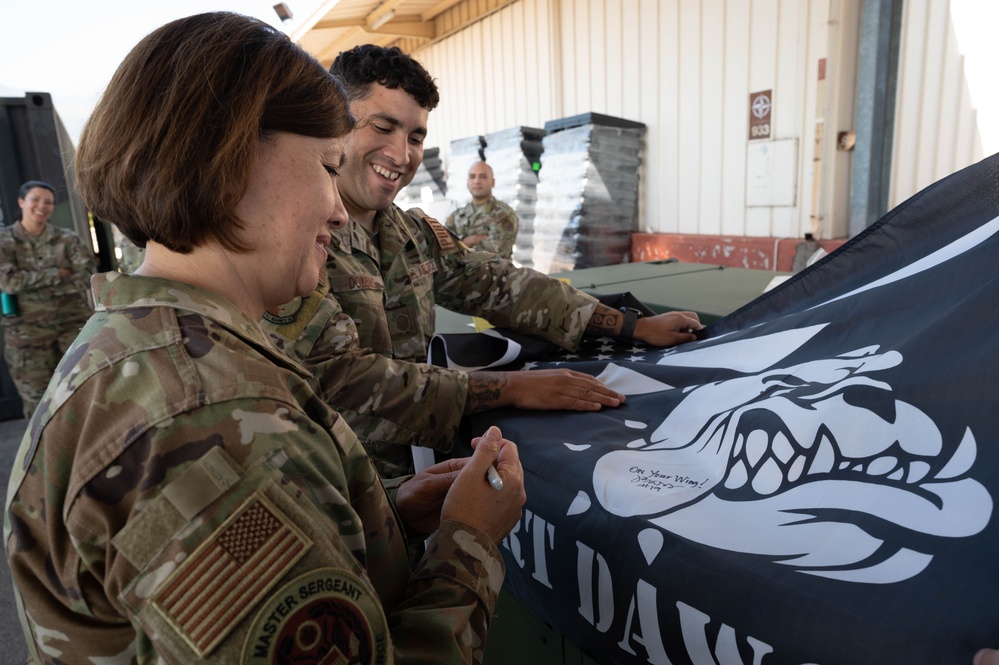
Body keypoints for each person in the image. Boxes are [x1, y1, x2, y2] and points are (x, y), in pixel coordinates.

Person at [4, 12, 525, 665]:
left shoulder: (140, 344)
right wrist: (468, 540)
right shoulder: (206, 412)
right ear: (232, 163)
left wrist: (384, 513)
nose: (338, 208)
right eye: (324, 167)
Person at [323, 45, 700, 370]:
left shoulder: (412, 236)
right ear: (335, 122)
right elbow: (344, 379)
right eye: (383, 127)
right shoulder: (299, 239)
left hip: (425, 451)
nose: (402, 155)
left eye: (416, 137)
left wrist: (629, 326)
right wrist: (509, 389)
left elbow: (504, 286)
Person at [0, 180, 95, 418]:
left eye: (49, 202)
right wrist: (58, 274)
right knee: (38, 404)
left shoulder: (67, 239)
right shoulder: (4, 241)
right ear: (22, 202)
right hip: (27, 336)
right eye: (36, 200)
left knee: (85, 391)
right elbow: (8, 282)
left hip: (73, 328)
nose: (42, 206)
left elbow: (86, 278)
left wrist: (30, 285)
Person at [445, 161, 519, 259]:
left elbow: (496, 253)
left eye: (483, 177)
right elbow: (444, 251)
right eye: (472, 177)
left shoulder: (503, 214)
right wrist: (473, 240)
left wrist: (460, 243)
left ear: (493, 182)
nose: (477, 181)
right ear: (467, 183)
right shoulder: (455, 216)